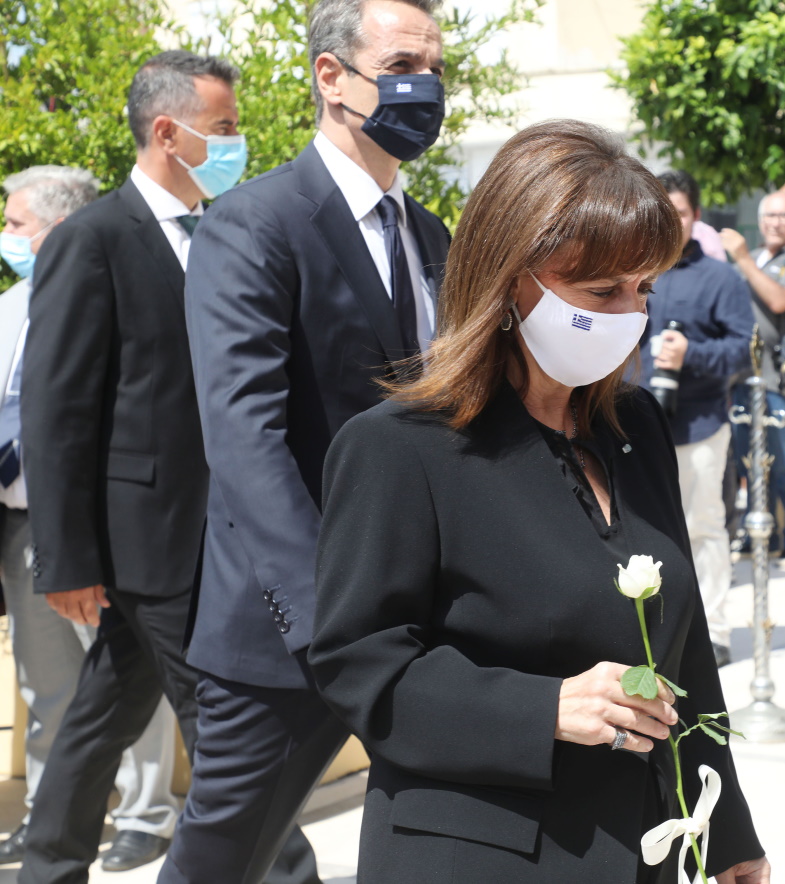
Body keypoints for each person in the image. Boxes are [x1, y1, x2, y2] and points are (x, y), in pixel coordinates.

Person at [309, 118, 768, 884]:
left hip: (638, 850)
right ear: (509, 278)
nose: (630, 315)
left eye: (644, 289)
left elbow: (680, 651)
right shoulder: (400, 447)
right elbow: (360, 667)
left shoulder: (636, 428)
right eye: (602, 291)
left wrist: (724, 832)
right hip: (478, 859)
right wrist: (544, 708)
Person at [162, 1, 452, 880]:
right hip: (293, 632)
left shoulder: (431, 236)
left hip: (420, 617)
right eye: (403, 66)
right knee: (225, 857)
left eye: (436, 70)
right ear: (332, 77)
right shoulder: (254, 224)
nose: (427, 88)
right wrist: (329, 617)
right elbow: (243, 436)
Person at [15, 51, 247, 882]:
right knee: (226, 720)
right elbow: (56, 408)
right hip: (146, 540)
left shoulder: (224, 231)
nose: (237, 142)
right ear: (167, 133)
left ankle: (48, 865)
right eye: (223, 127)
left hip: (217, 526)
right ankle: (285, 869)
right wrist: (67, 557)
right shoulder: (93, 239)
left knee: (101, 714)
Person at [0, 167, 183, 872]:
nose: (7, 237)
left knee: (128, 695)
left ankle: (126, 824)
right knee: (65, 693)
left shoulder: (122, 265)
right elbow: (40, 410)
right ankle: (52, 829)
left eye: (16, 223)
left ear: (57, 224)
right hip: (48, 531)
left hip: (122, 534)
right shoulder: (19, 299)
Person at [638, 170, 754, 668]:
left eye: (681, 212)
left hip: (701, 424)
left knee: (704, 527)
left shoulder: (721, 278)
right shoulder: (630, 270)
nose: (672, 220)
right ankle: (654, 632)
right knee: (641, 532)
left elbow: (743, 350)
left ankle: (714, 632)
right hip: (635, 424)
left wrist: (692, 354)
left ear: (696, 216)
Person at [720, 191, 785, 556]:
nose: (775, 222)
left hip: (781, 381)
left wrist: (742, 258)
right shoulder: (753, 257)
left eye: (784, 216)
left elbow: (780, 300)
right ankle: (763, 535)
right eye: (769, 215)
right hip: (742, 378)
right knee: (751, 464)